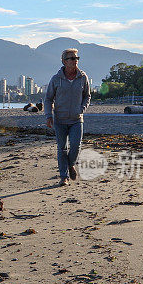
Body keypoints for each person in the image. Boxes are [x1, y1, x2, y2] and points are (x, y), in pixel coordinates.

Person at [44, 48, 91, 186]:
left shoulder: (83, 77)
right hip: (60, 120)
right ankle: (63, 177)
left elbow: (87, 96)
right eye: (72, 58)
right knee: (62, 148)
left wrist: (82, 109)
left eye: (76, 58)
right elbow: (48, 99)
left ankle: (71, 165)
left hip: (77, 119)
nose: (75, 60)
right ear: (64, 61)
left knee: (76, 146)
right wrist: (48, 116)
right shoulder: (56, 79)